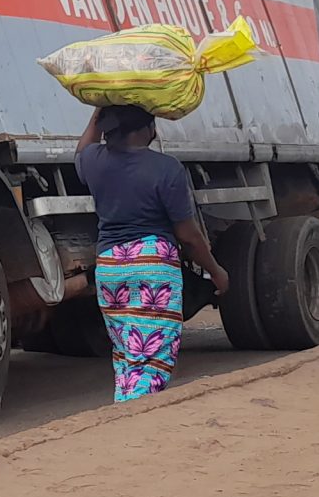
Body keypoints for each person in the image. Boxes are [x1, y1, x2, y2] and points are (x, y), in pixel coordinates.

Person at [75, 104, 230, 401]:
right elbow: (189, 236)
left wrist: (98, 111)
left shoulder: (94, 161)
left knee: (126, 354)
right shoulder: (167, 168)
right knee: (151, 361)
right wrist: (216, 270)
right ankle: (135, 423)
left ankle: (124, 411)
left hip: (110, 266)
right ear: (147, 129)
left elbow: (82, 149)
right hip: (152, 267)